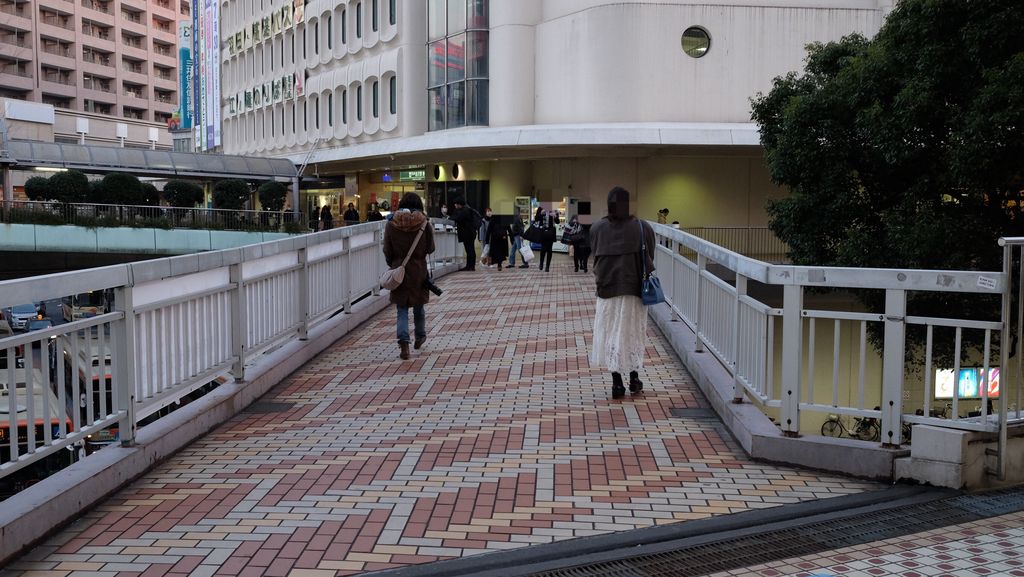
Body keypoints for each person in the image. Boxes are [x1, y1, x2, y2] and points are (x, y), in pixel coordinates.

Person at [589, 186, 656, 399]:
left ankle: (616, 383)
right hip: (634, 290)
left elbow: (594, 254)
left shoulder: (598, 228)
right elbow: (650, 255)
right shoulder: (642, 227)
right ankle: (634, 378)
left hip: (607, 290)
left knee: (611, 334)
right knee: (632, 333)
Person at [383, 192, 436, 360]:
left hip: (399, 269)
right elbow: (431, 248)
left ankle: (404, 343)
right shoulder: (424, 223)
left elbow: (387, 249)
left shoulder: (391, 224)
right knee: (419, 305)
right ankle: (420, 336)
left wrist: (394, 264)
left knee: (402, 308)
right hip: (418, 270)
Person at [451, 198, 480, 271]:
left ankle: (469, 266)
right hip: (471, 232)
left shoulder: (464, 211)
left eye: (456, 204)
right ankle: (471, 266)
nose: (455, 205)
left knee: (469, 250)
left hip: (467, 233)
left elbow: (457, 218)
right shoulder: (467, 209)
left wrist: (451, 217)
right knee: (471, 249)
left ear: (459, 204)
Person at [533, 207, 559, 272]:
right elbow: (536, 219)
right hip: (543, 231)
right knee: (543, 249)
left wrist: (555, 217)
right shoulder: (540, 208)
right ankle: (541, 263)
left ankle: (547, 266)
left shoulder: (554, 209)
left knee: (549, 249)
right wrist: (541, 214)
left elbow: (557, 222)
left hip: (551, 232)